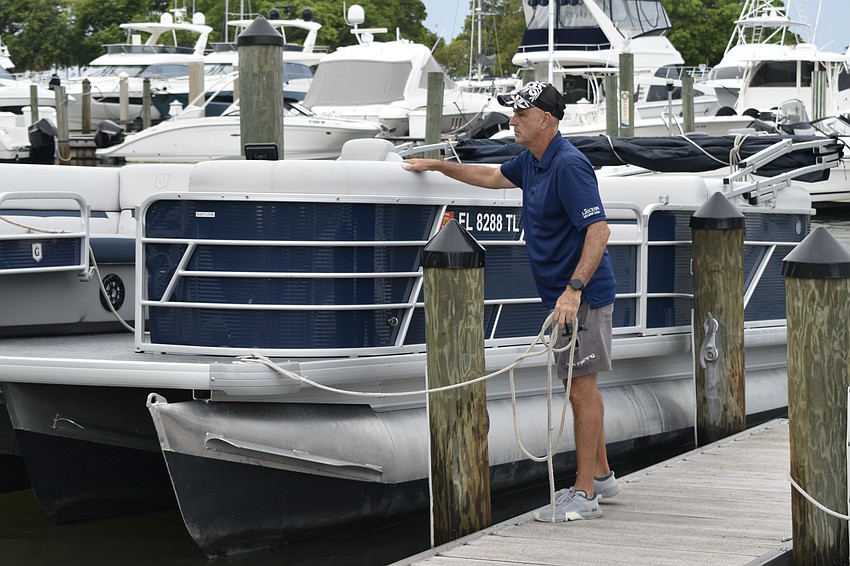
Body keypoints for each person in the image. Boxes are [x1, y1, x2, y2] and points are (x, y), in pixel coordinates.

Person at [403, 81, 619, 522]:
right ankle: (602, 476)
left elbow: (599, 231)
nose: (512, 120)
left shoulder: (569, 165)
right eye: (512, 113)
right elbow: (490, 177)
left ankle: (585, 495)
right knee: (577, 387)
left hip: (583, 296)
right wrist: (440, 167)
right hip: (566, 297)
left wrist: (573, 290)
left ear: (547, 119)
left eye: (521, 114)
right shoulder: (533, 161)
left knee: (582, 389)